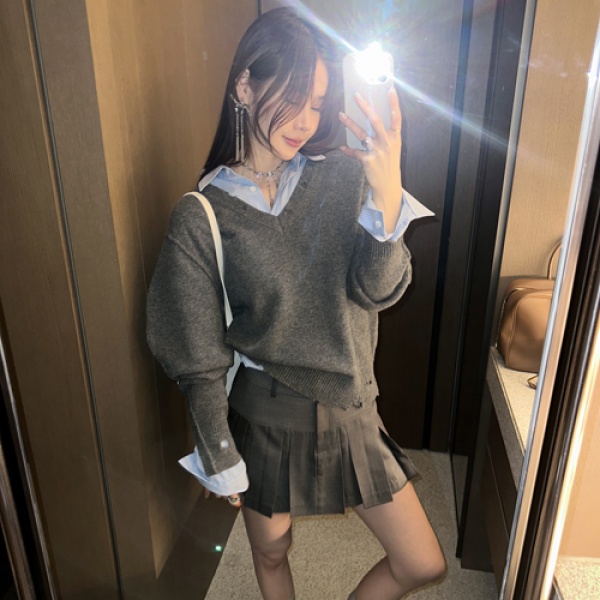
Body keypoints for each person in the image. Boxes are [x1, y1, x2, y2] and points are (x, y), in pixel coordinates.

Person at [146, 7, 445, 600]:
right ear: (245, 85)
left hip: (348, 402)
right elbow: (197, 354)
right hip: (264, 411)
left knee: (422, 562)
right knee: (271, 550)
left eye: (317, 102)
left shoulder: (343, 179)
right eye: (293, 98)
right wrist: (218, 448)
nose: (307, 120)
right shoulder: (203, 215)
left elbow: (378, 290)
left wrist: (387, 197)